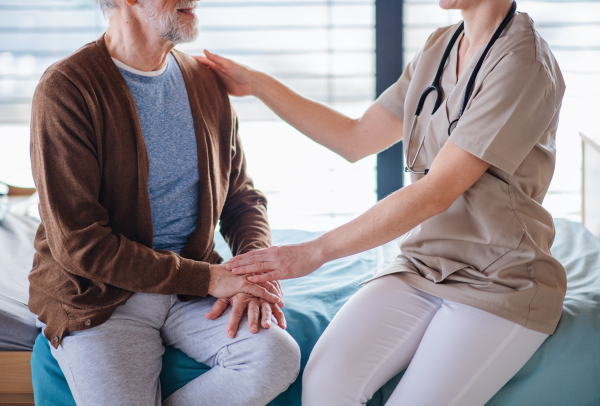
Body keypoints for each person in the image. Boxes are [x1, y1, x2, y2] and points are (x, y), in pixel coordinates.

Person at [198, 0, 567, 404]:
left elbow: (437, 191)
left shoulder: (523, 61)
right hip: (422, 265)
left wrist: (315, 251)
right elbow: (355, 138)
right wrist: (258, 84)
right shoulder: (441, 45)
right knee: (325, 384)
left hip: (499, 280)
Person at [28, 0, 300, 405]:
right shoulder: (67, 89)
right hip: (100, 295)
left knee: (276, 357)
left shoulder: (204, 82)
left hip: (191, 292)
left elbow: (241, 197)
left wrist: (253, 269)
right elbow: (80, 244)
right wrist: (208, 279)